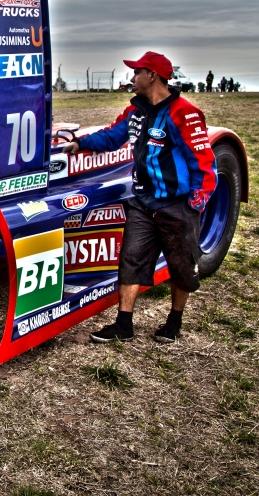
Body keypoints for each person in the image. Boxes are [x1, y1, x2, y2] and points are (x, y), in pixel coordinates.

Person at [63, 51, 217, 343]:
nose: (132, 78)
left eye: (136, 73)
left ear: (152, 76)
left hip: (177, 204)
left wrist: (195, 203)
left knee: (181, 266)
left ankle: (174, 322)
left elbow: (205, 162)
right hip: (143, 203)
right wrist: (79, 143)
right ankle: (124, 325)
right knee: (131, 261)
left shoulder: (185, 113)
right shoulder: (135, 111)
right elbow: (111, 136)